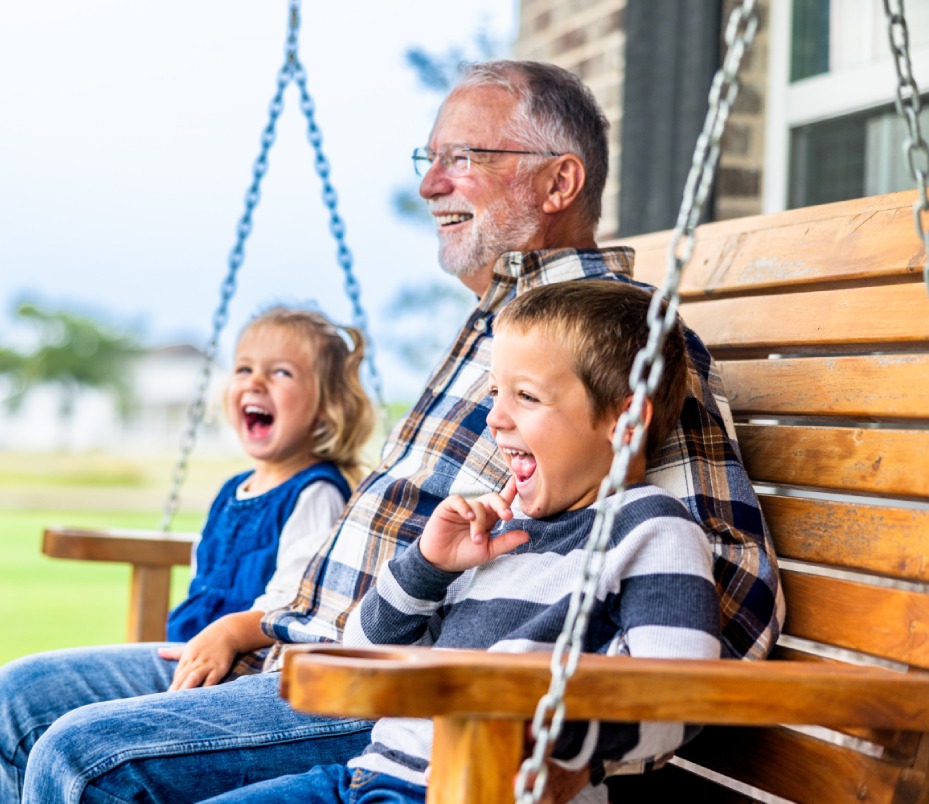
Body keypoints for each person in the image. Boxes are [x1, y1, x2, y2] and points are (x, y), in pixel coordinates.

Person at [0, 60, 782, 803]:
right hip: (296, 646)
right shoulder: (502, 330)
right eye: (428, 156)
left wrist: (554, 731)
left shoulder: (607, 345)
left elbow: (726, 583)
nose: (427, 183)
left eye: (462, 157)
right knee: (16, 699)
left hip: (393, 694)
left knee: (83, 760)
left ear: (558, 181)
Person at [202, 280, 722, 804]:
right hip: (366, 776)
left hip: (473, 787)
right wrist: (428, 565)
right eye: (496, 392)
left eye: (526, 396)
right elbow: (359, 652)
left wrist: (552, 741)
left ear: (626, 422)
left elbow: (680, 696)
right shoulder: (495, 530)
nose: (495, 417)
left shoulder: (653, 530)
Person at [162, 304, 376, 689]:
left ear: (327, 408)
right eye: (244, 368)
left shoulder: (316, 493)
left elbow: (298, 602)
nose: (255, 382)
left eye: (281, 372)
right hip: (194, 653)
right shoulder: (232, 489)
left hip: (249, 668)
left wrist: (228, 634)